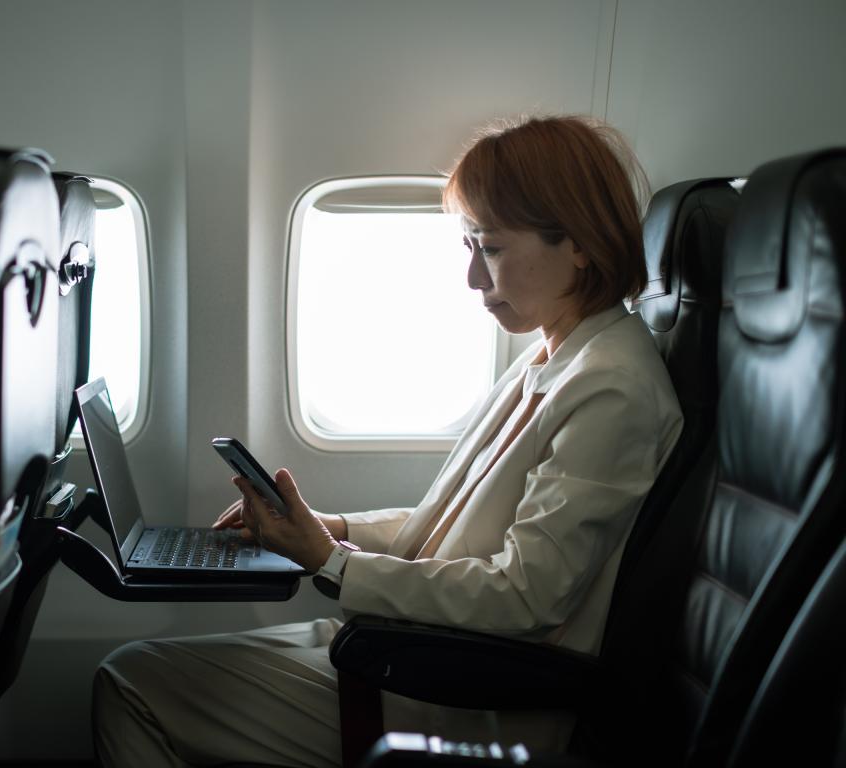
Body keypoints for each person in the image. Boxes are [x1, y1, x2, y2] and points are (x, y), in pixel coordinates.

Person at [91, 115, 683, 767]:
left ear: (578, 242)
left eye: (489, 248)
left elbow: (526, 596)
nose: (473, 281)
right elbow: (454, 531)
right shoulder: (555, 355)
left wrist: (334, 562)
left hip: (459, 692)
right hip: (411, 647)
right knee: (143, 666)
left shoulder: (610, 388)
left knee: (130, 683)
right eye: (470, 248)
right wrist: (329, 527)